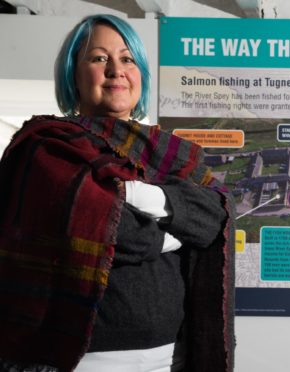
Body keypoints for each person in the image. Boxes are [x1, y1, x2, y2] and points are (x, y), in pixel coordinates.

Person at [0, 14, 235, 372]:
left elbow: (215, 215)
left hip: (170, 356)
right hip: (85, 359)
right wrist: (173, 234)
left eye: (127, 59)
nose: (116, 70)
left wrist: (147, 197)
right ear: (72, 75)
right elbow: (112, 227)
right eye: (98, 58)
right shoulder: (47, 148)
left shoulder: (170, 152)